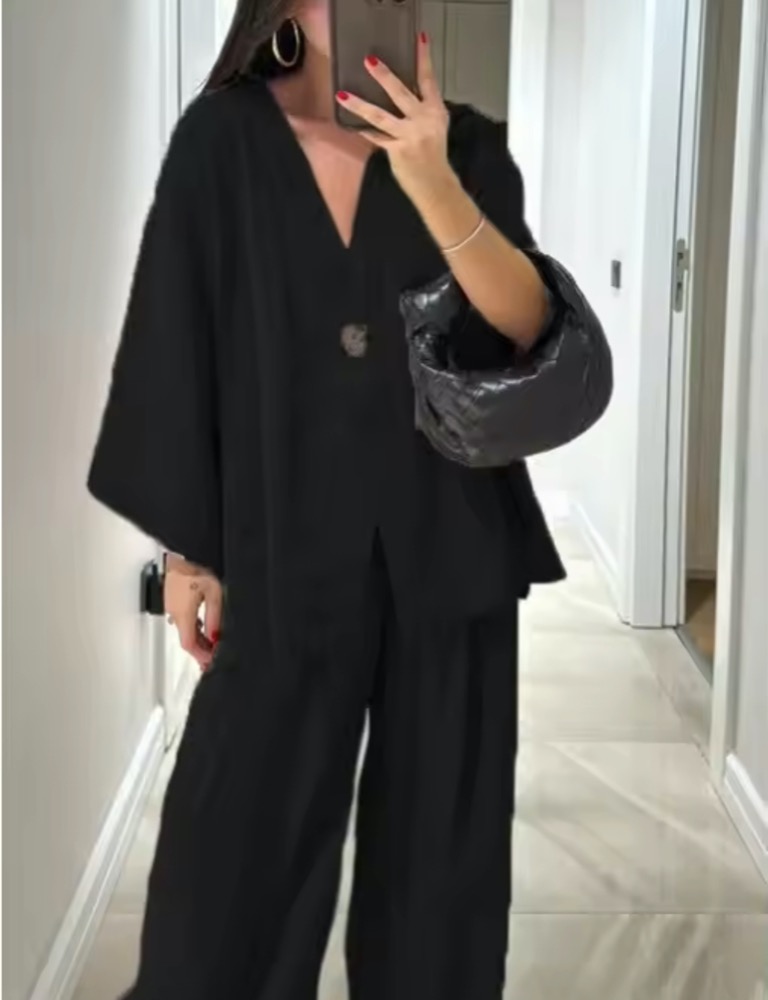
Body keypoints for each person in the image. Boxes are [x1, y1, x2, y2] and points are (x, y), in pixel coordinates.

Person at [88, 0, 569, 996]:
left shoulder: (469, 149)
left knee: (441, 899)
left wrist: (433, 181)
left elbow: (530, 326)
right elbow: (179, 344)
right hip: (280, 553)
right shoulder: (220, 142)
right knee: (222, 892)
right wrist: (189, 551)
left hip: (449, 557)